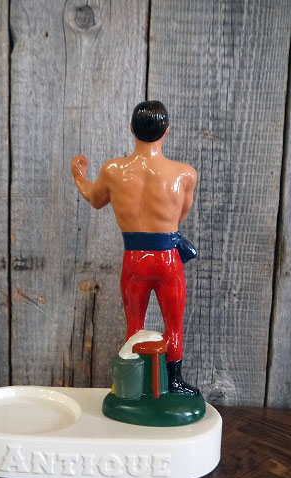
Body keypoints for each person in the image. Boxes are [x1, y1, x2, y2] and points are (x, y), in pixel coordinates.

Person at [71, 101, 199, 396]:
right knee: (173, 326)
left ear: (131, 129)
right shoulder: (185, 174)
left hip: (135, 258)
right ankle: (174, 381)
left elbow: (95, 199)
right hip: (168, 259)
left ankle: (134, 381)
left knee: (134, 325)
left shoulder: (113, 170)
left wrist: (78, 175)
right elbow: (181, 215)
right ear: (167, 131)